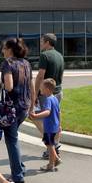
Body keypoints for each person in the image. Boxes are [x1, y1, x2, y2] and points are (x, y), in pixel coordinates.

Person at [0, 37, 32, 183]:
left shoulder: (8, 63)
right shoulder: (26, 63)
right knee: (14, 137)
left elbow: (9, 86)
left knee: (11, 140)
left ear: (10, 50)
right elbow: (31, 84)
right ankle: (20, 167)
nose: (2, 51)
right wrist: (32, 103)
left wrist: (0, 83)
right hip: (24, 106)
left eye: (4, 48)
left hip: (11, 108)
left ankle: (17, 175)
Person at [32, 33, 64, 161]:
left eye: (42, 41)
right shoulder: (60, 56)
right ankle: (54, 145)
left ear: (47, 42)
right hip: (58, 91)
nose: (40, 44)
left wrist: (35, 93)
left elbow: (40, 75)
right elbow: (61, 74)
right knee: (55, 120)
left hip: (46, 94)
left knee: (35, 117)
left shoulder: (44, 55)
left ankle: (51, 145)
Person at [29, 78, 61, 172]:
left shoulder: (48, 100)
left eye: (41, 88)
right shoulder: (55, 98)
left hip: (49, 127)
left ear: (47, 89)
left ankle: (55, 160)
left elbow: (47, 112)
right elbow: (59, 112)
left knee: (49, 145)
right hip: (54, 126)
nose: (40, 90)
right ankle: (51, 164)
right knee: (50, 144)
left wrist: (35, 116)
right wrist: (59, 124)